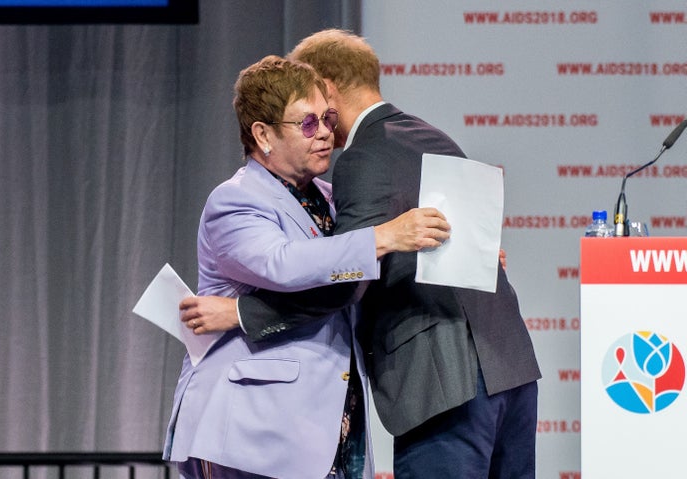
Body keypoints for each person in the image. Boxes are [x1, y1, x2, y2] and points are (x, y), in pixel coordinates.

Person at [191, 30, 542, 478]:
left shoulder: (361, 159)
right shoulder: (430, 136)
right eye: (305, 120)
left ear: (326, 89)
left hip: (444, 381)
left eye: (318, 110)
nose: (318, 127)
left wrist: (244, 313)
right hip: (507, 366)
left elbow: (346, 281)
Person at [162, 55, 451, 479]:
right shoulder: (235, 201)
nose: (326, 135)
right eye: (308, 124)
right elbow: (283, 263)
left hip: (330, 421)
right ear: (262, 134)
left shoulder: (333, 198)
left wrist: (445, 251)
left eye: (328, 120)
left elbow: (356, 275)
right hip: (253, 430)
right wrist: (384, 237)